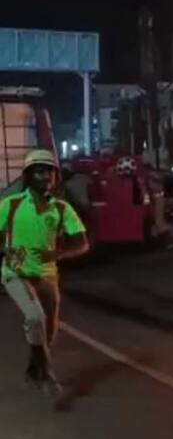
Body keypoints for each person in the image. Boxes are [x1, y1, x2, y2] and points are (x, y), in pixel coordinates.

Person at [0, 149, 89, 396]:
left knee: (48, 331)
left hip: (47, 275)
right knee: (34, 318)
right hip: (15, 273)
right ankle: (47, 375)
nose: (45, 176)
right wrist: (6, 251)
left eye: (49, 171)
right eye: (39, 171)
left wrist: (59, 254)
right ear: (28, 176)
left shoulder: (61, 209)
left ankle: (32, 371)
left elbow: (82, 243)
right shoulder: (11, 205)